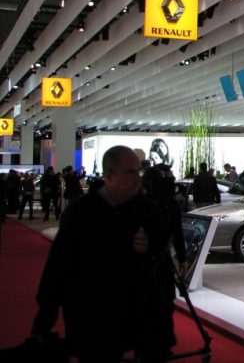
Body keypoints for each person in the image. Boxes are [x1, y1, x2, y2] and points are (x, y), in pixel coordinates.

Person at [31, 145, 171, 363]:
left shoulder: (146, 209)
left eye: (139, 172)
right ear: (109, 176)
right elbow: (59, 263)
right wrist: (45, 316)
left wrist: (150, 246)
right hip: (92, 311)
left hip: (137, 306)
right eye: (131, 172)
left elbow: (161, 243)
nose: (138, 178)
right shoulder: (82, 212)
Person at [142, 164, 188, 355]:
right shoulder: (141, 204)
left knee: (167, 301)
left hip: (163, 261)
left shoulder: (170, 205)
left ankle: (164, 343)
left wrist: (182, 257)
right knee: (145, 306)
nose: (169, 184)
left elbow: (177, 231)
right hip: (142, 264)